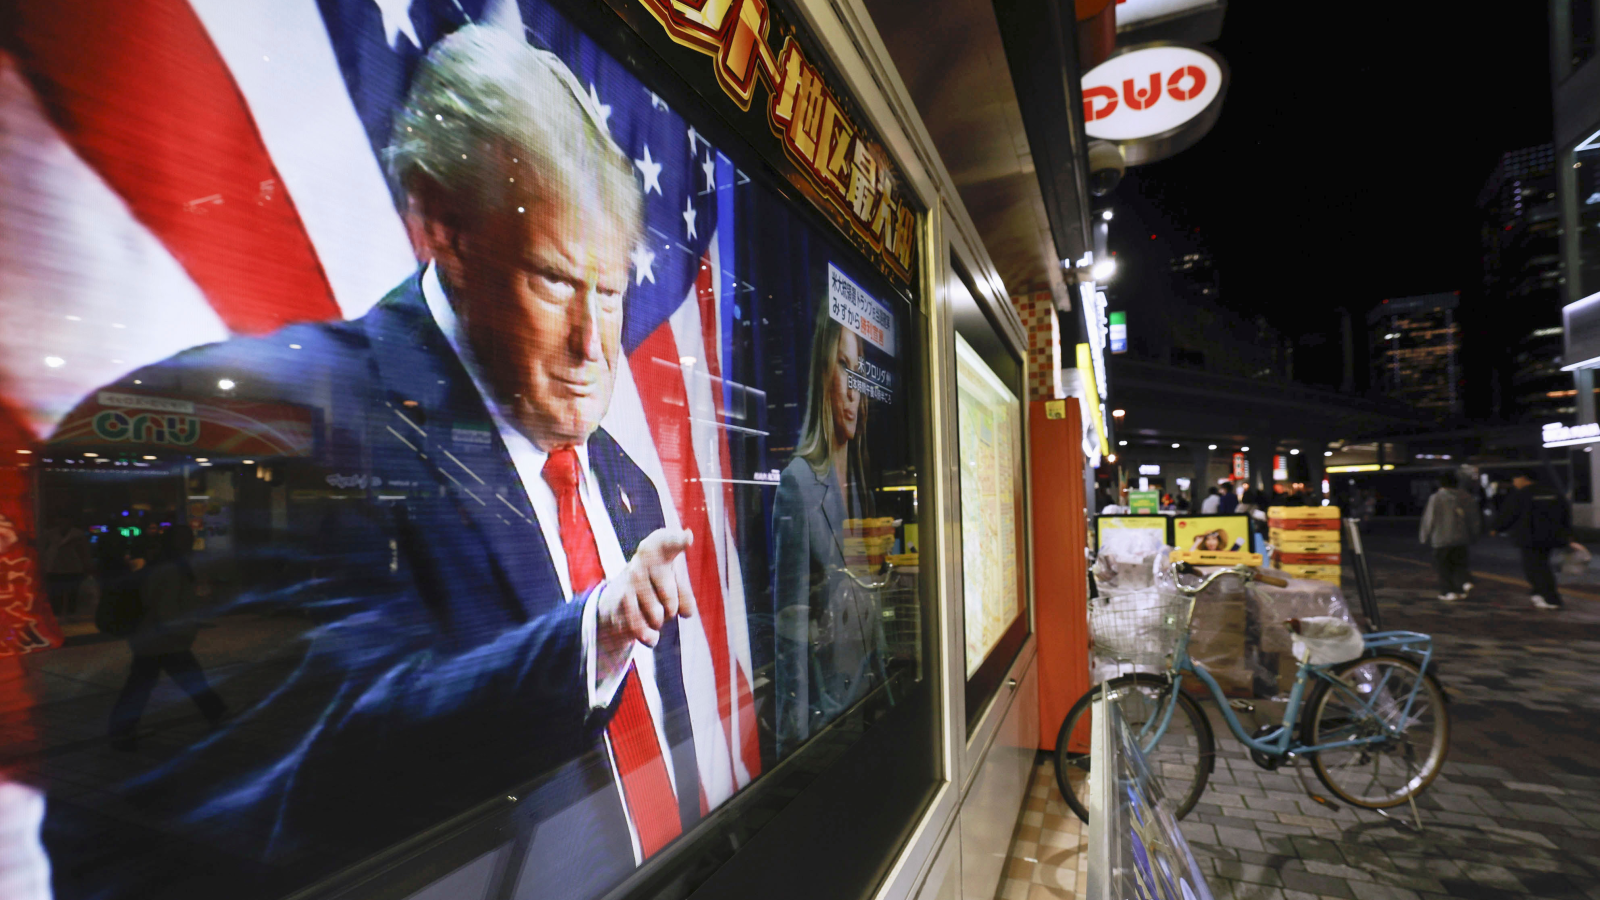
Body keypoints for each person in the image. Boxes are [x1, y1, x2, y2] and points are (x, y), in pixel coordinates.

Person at [52, 26, 703, 896]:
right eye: (553, 280)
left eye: (612, 290)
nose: (593, 343)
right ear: (444, 231)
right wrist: (592, 636)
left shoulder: (622, 483)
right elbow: (313, 778)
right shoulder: (265, 423)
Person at [773, 313, 888, 757]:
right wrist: (795, 744)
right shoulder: (798, 483)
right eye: (844, 367)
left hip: (866, 692)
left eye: (859, 372)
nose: (855, 391)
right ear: (823, 374)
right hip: (827, 713)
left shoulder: (860, 485)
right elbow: (790, 624)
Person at [107, 526, 227, 750]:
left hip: (153, 639)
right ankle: (217, 714)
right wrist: (185, 631)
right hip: (164, 640)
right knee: (187, 680)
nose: (189, 543)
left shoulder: (164, 566)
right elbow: (166, 611)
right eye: (185, 539)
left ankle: (121, 731)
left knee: (145, 685)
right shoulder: (171, 570)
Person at [1490, 470, 1572, 610]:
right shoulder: (1553, 493)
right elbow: (1565, 514)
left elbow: (1509, 514)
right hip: (1551, 537)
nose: (1514, 483)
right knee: (1542, 565)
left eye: (1515, 479)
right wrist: (1568, 535)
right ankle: (1539, 593)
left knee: (1535, 569)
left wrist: (1497, 528)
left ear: (1523, 478)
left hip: (1530, 537)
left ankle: (1551, 599)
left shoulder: (1521, 495)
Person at [1418, 471, 1480, 602]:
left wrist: (1424, 536)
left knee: (1443, 567)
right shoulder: (1466, 497)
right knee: (1459, 564)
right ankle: (1464, 584)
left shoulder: (1436, 498)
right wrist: (1474, 535)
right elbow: (1474, 519)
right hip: (1462, 538)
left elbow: (1429, 519)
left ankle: (1448, 592)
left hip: (1441, 539)